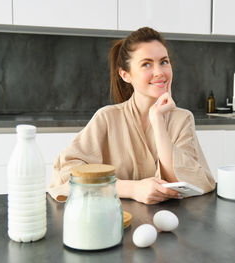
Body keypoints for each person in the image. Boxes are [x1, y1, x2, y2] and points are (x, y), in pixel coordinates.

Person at [48, 27, 215, 204]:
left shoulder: (182, 119)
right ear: (125, 75)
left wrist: (158, 121)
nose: (159, 72)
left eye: (164, 62)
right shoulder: (107, 118)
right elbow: (69, 174)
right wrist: (132, 189)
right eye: (146, 64)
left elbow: (186, 181)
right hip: (112, 219)